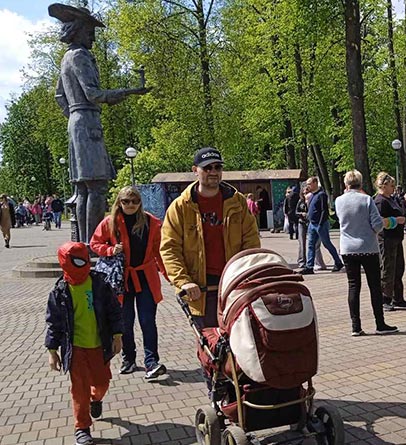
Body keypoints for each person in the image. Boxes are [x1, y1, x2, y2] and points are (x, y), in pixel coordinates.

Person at [50, 4, 148, 244]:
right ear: (77, 30)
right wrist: (129, 91)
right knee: (96, 187)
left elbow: (59, 96)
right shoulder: (80, 56)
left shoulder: (66, 57)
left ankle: (85, 243)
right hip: (87, 121)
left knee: (84, 188)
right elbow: (93, 94)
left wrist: (74, 116)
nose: (93, 37)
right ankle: (93, 243)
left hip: (78, 122)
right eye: (89, 31)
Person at [161, 147, 261, 330]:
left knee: (241, 339)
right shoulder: (180, 207)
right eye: (207, 168)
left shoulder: (237, 202)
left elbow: (251, 241)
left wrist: (246, 274)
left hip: (233, 285)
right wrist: (184, 281)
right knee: (209, 342)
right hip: (200, 290)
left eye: (217, 167)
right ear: (195, 170)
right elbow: (169, 249)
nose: (213, 172)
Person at [44, 242, 123, 445]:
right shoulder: (60, 291)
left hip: (99, 345)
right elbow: (54, 323)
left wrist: (117, 335)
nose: (82, 266)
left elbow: (114, 310)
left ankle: (96, 399)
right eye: (77, 262)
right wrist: (52, 350)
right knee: (79, 389)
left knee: (102, 382)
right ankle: (82, 427)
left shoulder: (99, 284)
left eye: (84, 261)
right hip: (75, 348)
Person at [90, 186, 168, 380]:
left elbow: (159, 252)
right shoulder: (110, 222)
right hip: (120, 280)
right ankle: (129, 359)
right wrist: (110, 250)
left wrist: (170, 276)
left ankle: (151, 362)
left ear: (140, 203)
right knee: (125, 322)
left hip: (146, 278)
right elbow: (94, 243)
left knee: (147, 321)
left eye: (135, 201)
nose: (131, 205)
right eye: (126, 201)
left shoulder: (151, 222)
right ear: (119, 202)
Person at [336, 170, 398, 336]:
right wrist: (386, 224)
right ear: (361, 183)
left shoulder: (339, 201)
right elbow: (377, 225)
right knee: (374, 286)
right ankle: (380, 324)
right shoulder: (366, 199)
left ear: (346, 184)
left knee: (353, 286)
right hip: (368, 248)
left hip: (347, 248)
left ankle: (356, 326)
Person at [374, 173, 406, 308]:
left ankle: (398, 297)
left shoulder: (391, 199)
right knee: (387, 269)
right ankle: (385, 299)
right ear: (383, 186)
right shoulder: (380, 201)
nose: (393, 188)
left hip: (396, 238)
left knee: (398, 268)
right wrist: (396, 220)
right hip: (386, 239)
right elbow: (380, 222)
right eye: (391, 185)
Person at [297, 177, 344, 274]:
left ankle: (338, 262)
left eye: (309, 184)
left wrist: (320, 223)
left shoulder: (321, 195)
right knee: (311, 245)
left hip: (320, 224)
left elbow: (324, 210)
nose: (308, 186)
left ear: (315, 183)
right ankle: (309, 266)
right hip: (312, 224)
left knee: (327, 244)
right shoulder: (312, 195)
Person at [296, 184, 326, 270]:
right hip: (302, 223)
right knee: (302, 243)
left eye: (307, 192)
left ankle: (317, 263)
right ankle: (302, 262)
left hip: (312, 223)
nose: (305, 194)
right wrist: (301, 214)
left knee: (315, 244)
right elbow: (296, 212)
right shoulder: (301, 201)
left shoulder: (314, 199)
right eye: (304, 193)